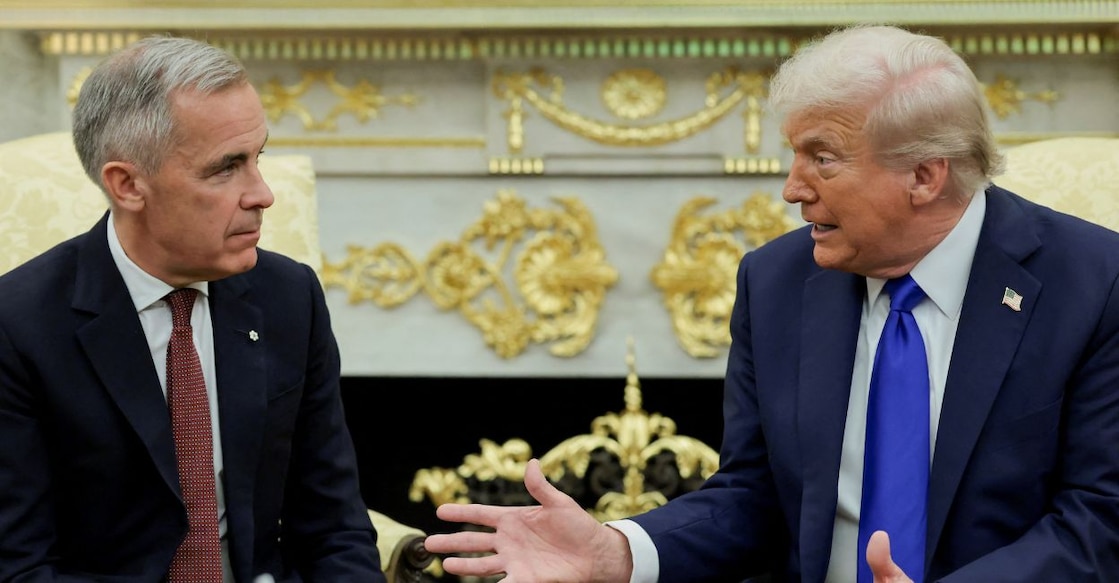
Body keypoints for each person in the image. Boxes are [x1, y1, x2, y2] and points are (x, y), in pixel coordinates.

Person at [423, 23, 1119, 583]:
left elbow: (1099, 517)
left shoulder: (1092, 283)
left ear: (923, 175)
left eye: (821, 158)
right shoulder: (778, 281)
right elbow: (755, 497)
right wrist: (617, 551)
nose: (790, 188)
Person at [0, 36, 385, 581]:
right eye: (226, 167)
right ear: (128, 184)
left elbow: (333, 525)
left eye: (258, 158)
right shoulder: (18, 327)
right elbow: (20, 567)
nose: (263, 194)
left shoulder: (289, 297)